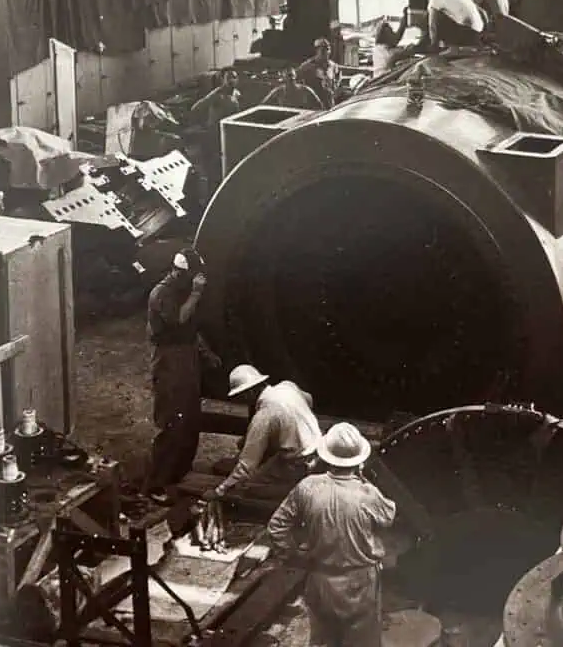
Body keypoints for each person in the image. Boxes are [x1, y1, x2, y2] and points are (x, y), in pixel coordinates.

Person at [267, 423, 397, 647]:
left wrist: (292, 556)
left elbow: (276, 526)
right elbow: (388, 517)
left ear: (325, 456)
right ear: (359, 461)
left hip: (321, 578)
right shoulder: (367, 494)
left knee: (323, 640)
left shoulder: (307, 487)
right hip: (360, 582)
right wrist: (363, 480)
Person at [144, 247, 222, 503]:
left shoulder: (181, 291)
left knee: (189, 420)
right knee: (171, 421)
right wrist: (197, 293)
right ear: (178, 273)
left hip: (186, 358)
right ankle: (158, 483)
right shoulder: (162, 294)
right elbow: (179, 320)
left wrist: (206, 354)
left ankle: (179, 474)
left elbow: (191, 330)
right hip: (169, 362)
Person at [204, 364, 321, 503]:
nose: (241, 401)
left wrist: (219, 491)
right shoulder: (287, 387)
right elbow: (309, 399)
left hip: (297, 464)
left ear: (249, 392)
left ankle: (296, 489)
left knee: (248, 486)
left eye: (241, 396)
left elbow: (247, 465)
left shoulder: (264, 416)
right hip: (317, 449)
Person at [190, 69, 241, 190]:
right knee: (213, 169)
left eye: (234, 77)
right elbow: (196, 107)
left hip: (229, 134)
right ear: (223, 80)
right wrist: (205, 123)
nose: (231, 80)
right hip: (214, 135)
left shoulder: (237, 94)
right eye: (228, 77)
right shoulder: (217, 95)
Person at [419, 0, 485, 50]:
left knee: (429, 16)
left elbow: (432, 25)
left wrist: (433, 45)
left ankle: (435, 46)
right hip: (477, 34)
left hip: (463, 36)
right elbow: (482, 12)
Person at [297, 38, 342, 109]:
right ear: (316, 50)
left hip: (329, 104)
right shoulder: (307, 67)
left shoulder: (334, 66)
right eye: (322, 50)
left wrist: (334, 89)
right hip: (313, 105)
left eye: (327, 49)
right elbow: (297, 81)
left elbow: (337, 83)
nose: (325, 52)